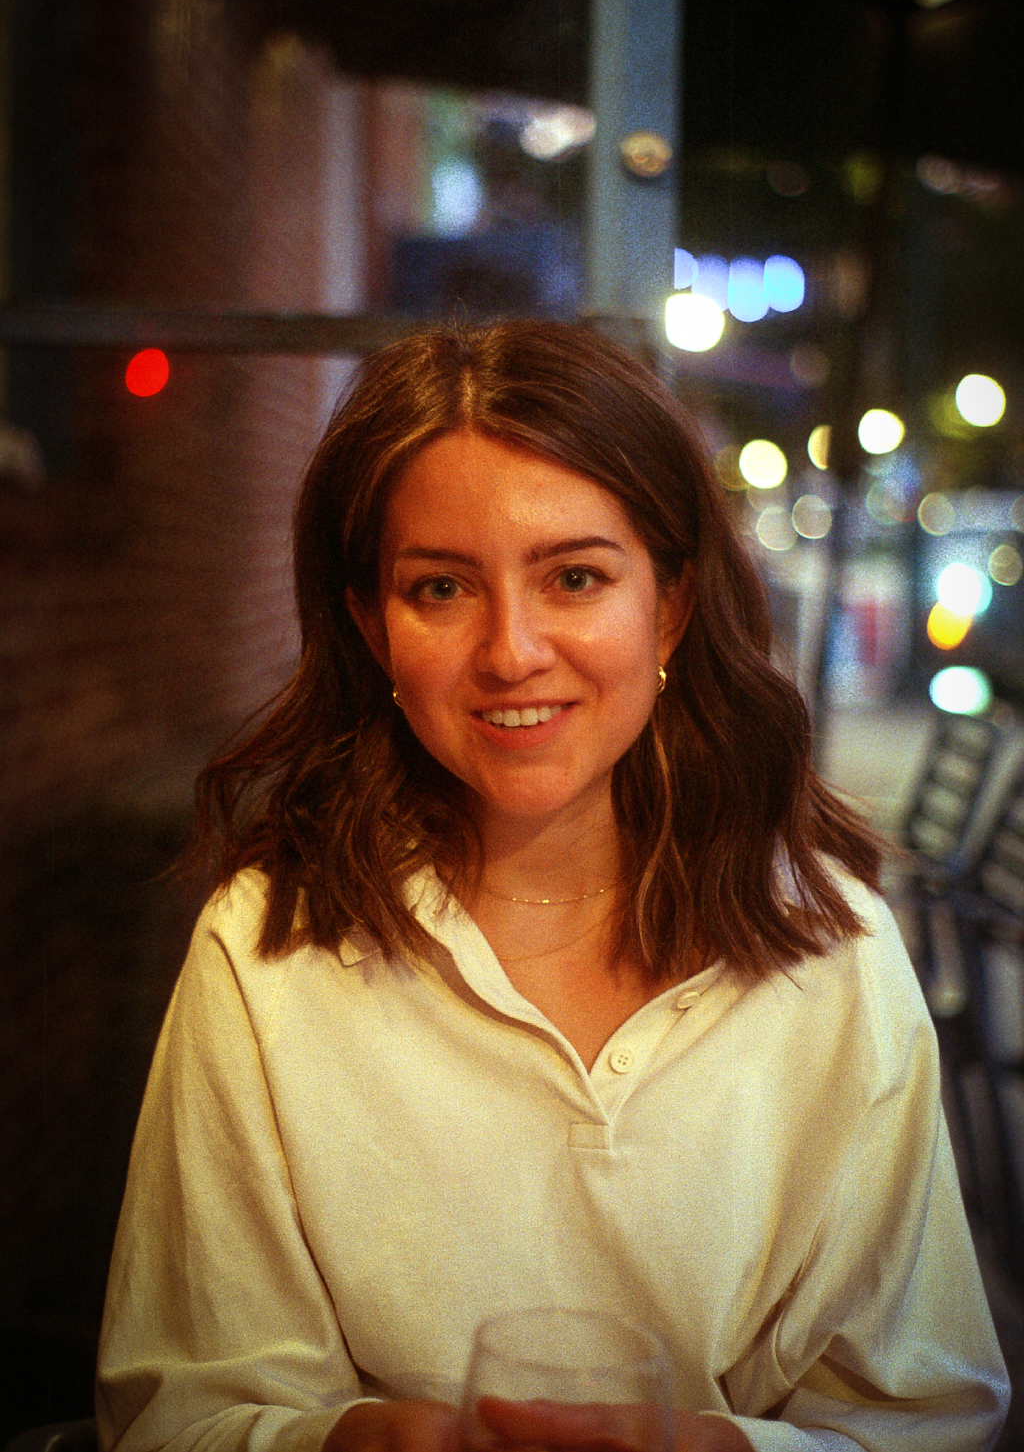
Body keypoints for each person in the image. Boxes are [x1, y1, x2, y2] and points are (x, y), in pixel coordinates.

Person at [96, 321, 1009, 1452]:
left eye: (574, 576)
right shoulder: (269, 945)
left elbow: (925, 1415)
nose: (511, 651)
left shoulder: (830, 950)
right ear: (373, 627)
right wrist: (363, 1441)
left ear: (670, 604)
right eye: (441, 587)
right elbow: (176, 1415)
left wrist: (716, 1447)